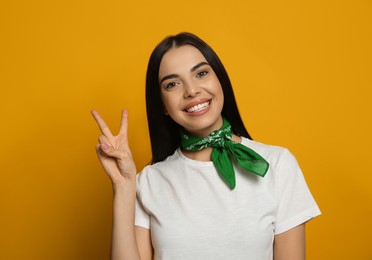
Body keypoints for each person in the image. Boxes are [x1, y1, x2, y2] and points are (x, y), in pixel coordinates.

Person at [91, 32, 321, 260]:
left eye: (201, 73)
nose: (191, 90)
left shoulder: (278, 164)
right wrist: (123, 186)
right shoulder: (149, 182)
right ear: (162, 104)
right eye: (172, 84)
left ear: (220, 81)